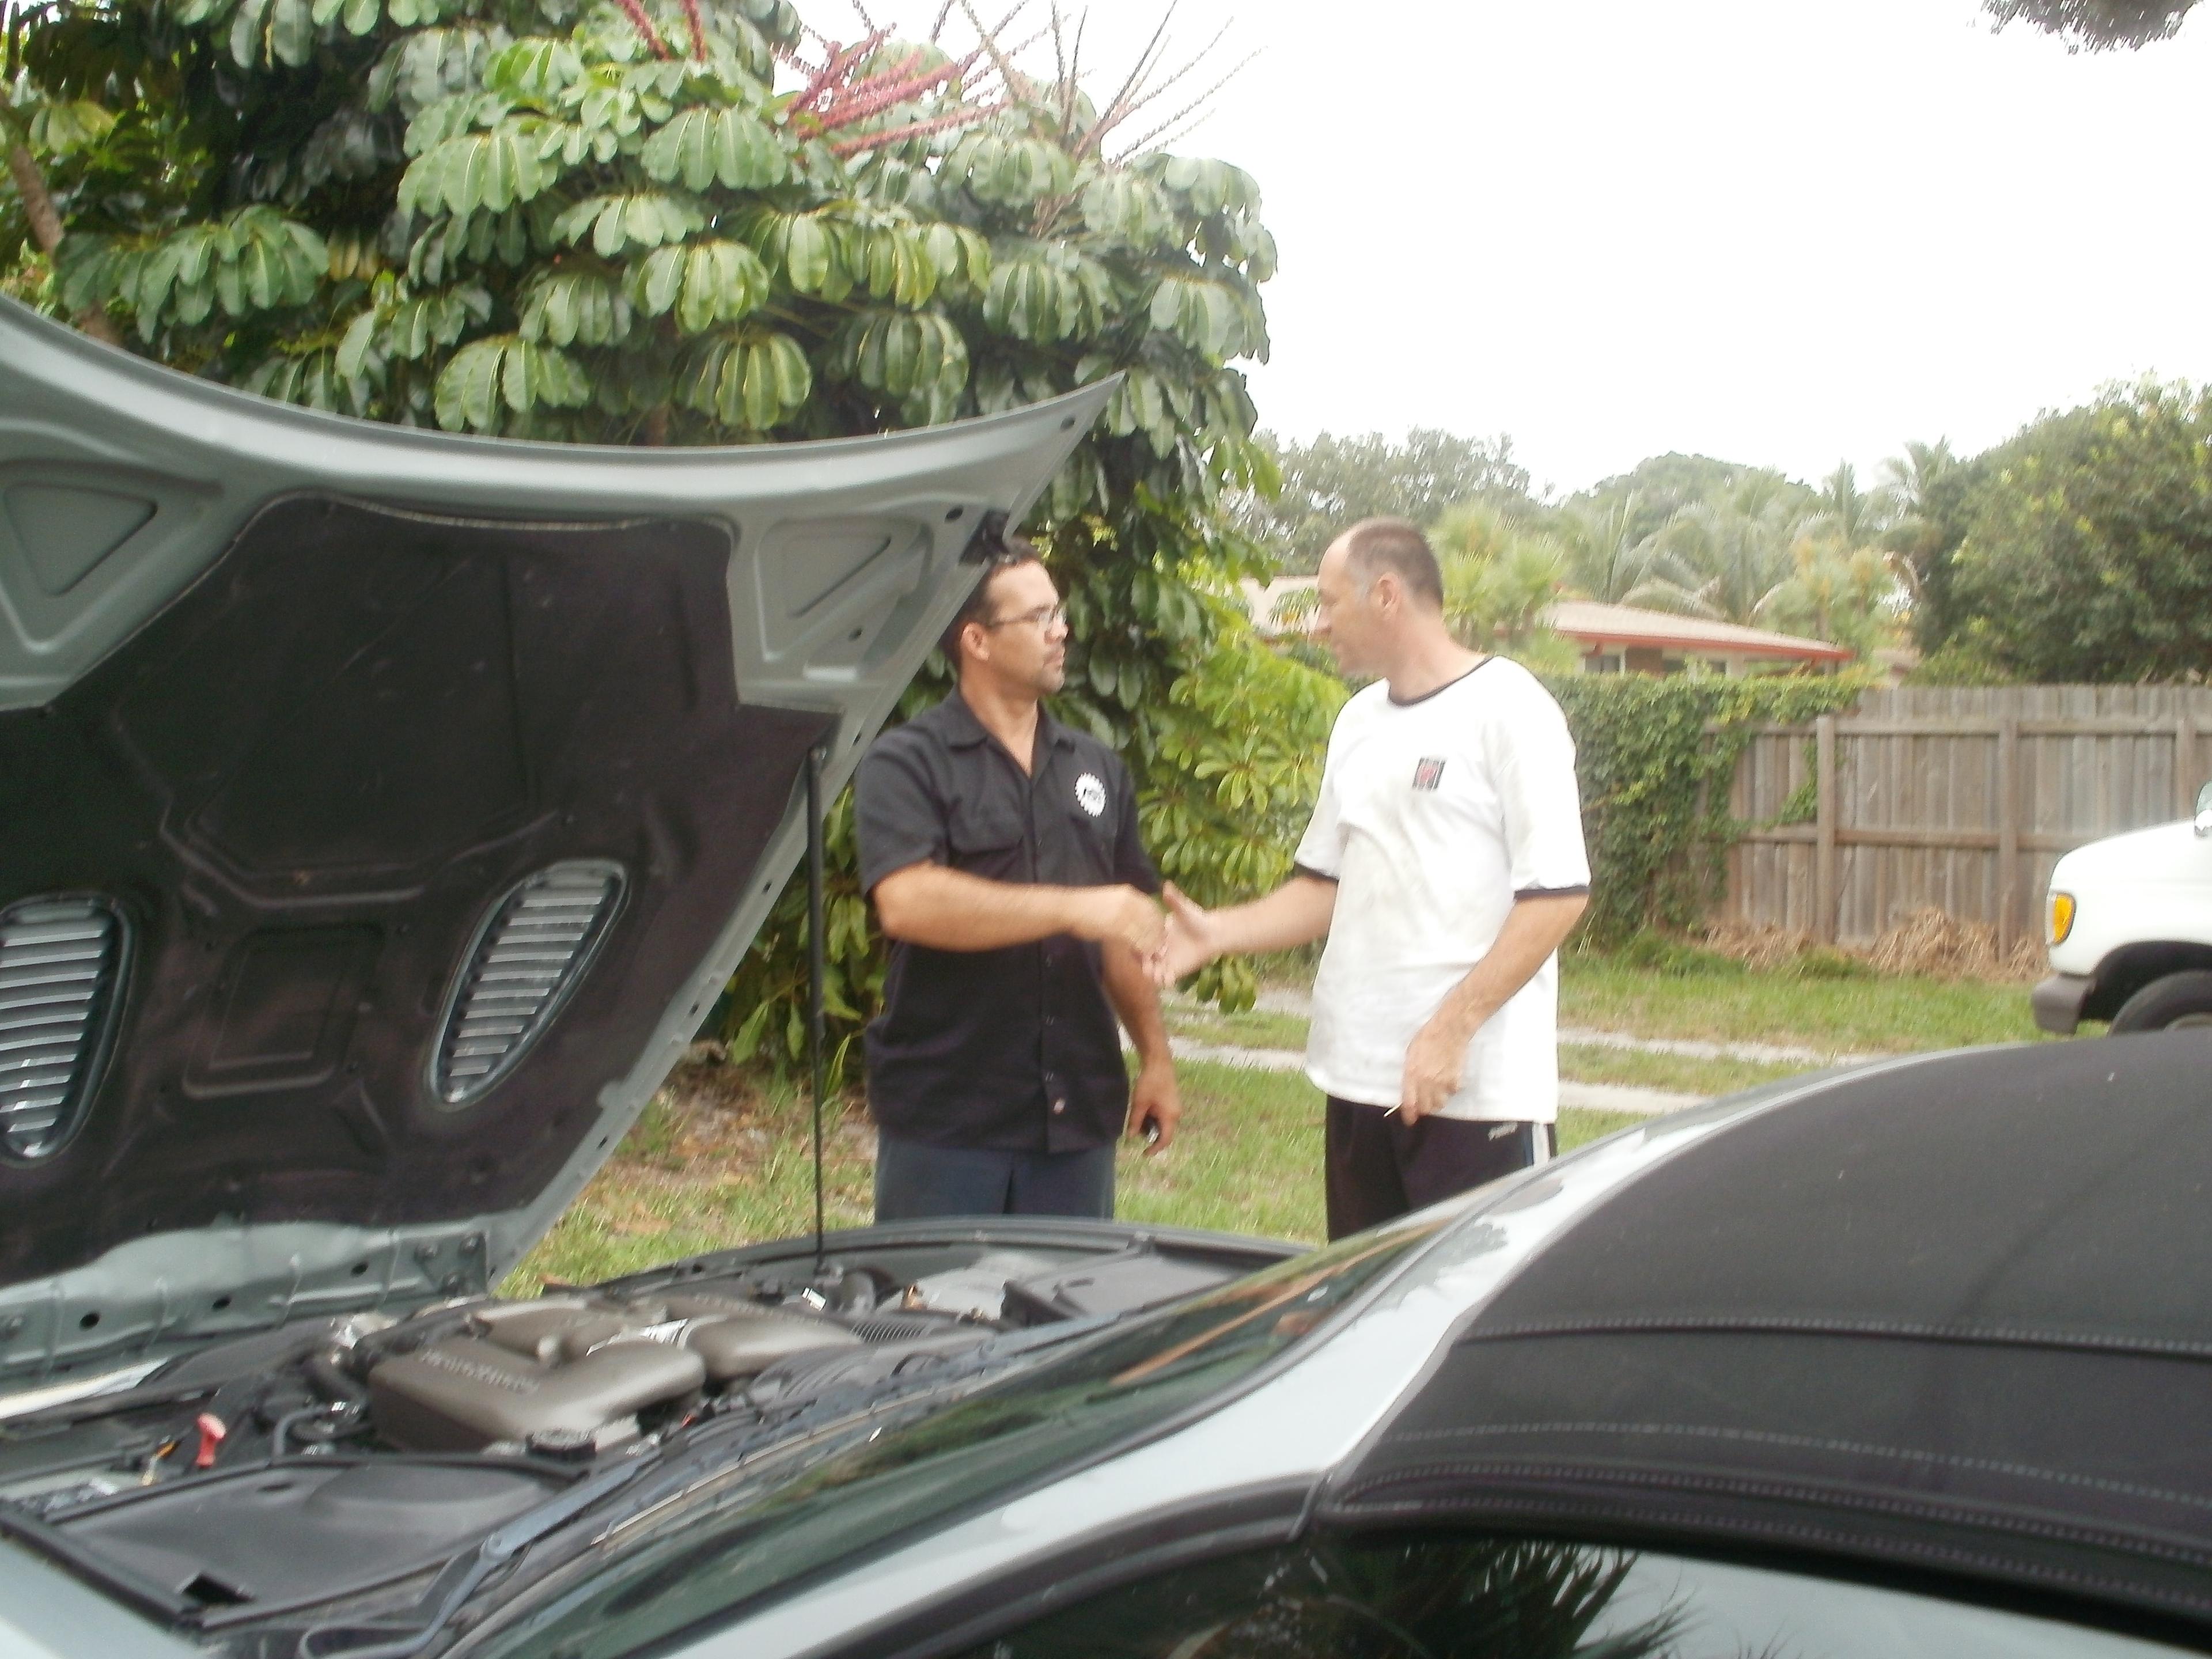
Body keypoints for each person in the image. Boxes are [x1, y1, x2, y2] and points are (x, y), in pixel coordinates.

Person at [1155, 517, 1589, 1239]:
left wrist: (1452, 1029)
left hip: (1471, 1093)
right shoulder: (1358, 721)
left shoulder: (1511, 710)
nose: (1321, 625)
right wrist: (1218, 932)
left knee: (1470, 1318)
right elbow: (1325, 886)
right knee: (1365, 1318)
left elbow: (1557, 895)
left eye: (1330, 602)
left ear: (1386, 593)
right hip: (1359, 1078)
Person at [853, 536, 1179, 1222]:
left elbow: (1121, 931)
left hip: (1075, 1123)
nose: (1062, 631)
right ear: (976, 639)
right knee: (935, 1320)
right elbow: (908, 903)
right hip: (948, 1119)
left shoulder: (1096, 768)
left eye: (1058, 613)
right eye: (1038, 618)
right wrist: (1073, 909)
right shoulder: (906, 763)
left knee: (1063, 1318)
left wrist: (1156, 1056)